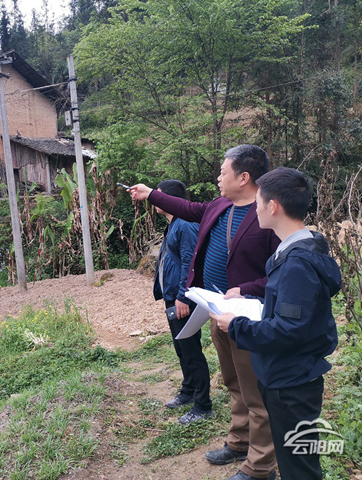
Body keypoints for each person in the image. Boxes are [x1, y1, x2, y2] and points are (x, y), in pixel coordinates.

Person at [129, 145, 280, 480]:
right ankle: (239, 442)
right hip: (215, 311)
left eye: (223, 172)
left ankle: (260, 466)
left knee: (255, 392)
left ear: (244, 177)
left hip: (246, 317)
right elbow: (187, 207)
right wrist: (151, 193)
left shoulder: (269, 214)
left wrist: (247, 288)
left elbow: (280, 273)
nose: (218, 178)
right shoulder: (219, 206)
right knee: (234, 382)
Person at [213, 167, 341, 480]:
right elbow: (291, 314)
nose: (254, 209)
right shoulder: (298, 250)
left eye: (257, 202)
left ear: (272, 206)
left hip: (292, 383)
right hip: (287, 375)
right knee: (291, 459)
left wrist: (237, 325)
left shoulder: (297, 263)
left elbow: (289, 329)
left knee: (299, 467)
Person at [153, 180, 212, 424]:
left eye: (157, 195)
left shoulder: (185, 224)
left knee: (191, 350)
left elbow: (190, 262)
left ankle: (203, 405)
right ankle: (188, 390)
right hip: (173, 297)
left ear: (169, 198)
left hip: (182, 299)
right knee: (181, 348)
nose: (154, 200)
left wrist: (182, 297)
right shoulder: (174, 224)